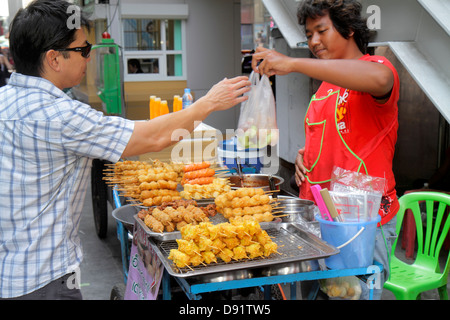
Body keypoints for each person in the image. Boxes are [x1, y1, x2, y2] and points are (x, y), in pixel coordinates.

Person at [0, 0, 250, 300]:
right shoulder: (60, 115)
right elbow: (154, 138)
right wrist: (208, 102)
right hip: (43, 280)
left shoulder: (5, 99)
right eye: (83, 50)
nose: (88, 58)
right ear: (55, 58)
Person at [252, 0, 399, 299]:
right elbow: (324, 140)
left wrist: (291, 63)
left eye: (321, 30)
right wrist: (303, 158)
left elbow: (382, 81)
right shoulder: (324, 87)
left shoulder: (376, 69)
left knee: (356, 293)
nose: (313, 41)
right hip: (321, 219)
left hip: (362, 224)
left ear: (348, 29)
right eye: (308, 34)